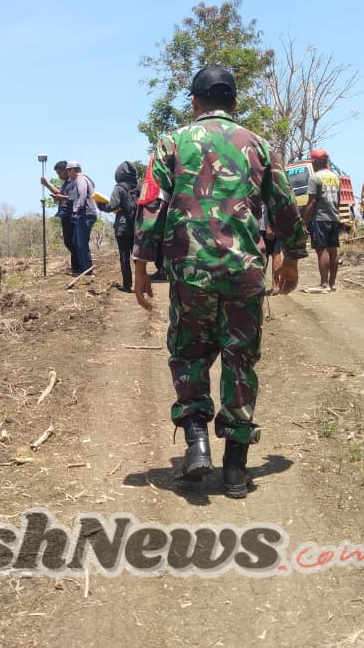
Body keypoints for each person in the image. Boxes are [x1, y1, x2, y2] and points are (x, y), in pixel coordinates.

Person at [133, 65, 307, 499]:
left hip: (190, 271)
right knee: (239, 359)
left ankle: (196, 442)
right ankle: (234, 468)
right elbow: (283, 204)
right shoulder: (259, 145)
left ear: (194, 102)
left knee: (189, 351)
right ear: (233, 103)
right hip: (244, 271)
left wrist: (140, 263)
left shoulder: (172, 143)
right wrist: (293, 256)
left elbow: (151, 203)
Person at [302, 148, 343, 292]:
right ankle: (332, 284)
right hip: (333, 217)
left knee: (322, 251)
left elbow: (312, 201)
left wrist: (304, 221)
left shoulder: (314, 178)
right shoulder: (335, 177)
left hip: (319, 219)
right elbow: (338, 200)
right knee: (333, 250)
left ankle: (324, 284)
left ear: (314, 162)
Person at [97, 161, 140, 292]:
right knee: (137, 256)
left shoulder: (119, 187)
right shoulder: (140, 186)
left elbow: (112, 205)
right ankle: (140, 284)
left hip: (122, 227)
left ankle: (127, 285)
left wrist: (102, 206)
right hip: (138, 225)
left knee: (124, 255)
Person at [41, 160, 79, 274]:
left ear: (66, 171)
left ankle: (78, 266)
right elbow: (60, 193)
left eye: (59, 173)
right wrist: (47, 185)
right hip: (64, 215)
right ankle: (75, 267)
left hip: (70, 215)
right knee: (68, 242)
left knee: (71, 242)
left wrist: (61, 198)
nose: (58, 176)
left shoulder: (73, 182)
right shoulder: (65, 183)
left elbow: (72, 197)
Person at [65, 161, 97, 276]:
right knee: (75, 241)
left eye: (68, 171)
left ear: (73, 170)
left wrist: (76, 210)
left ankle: (88, 270)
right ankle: (83, 267)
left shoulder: (80, 179)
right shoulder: (82, 180)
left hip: (85, 214)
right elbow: (76, 196)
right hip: (84, 214)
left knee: (82, 243)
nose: (68, 174)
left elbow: (83, 195)